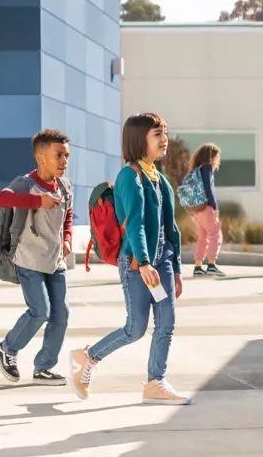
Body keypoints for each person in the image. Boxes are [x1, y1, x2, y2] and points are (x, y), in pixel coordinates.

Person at [68, 112, 189, 406]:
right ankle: (88, 357)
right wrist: (144, 262)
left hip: (162, 261)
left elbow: (170, 227)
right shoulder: (129, 176)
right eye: (157, 135)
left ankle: (155, 382)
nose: (164, 140)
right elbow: (134, 223)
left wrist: (176, 268)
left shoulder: (159, 179)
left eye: (165, 133)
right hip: (137, 262)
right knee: (135, 328)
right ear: (139, 140)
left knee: (167, 323)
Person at [0, 129, 75, 384]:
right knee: (40, 311)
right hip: (28, 259)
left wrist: (67, 239)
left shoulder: (65, 186)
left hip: (55, 260)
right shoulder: (25, 183)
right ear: (40, 157)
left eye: (67, 156)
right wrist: (38, 201)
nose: (64, 161)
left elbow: (68, 215)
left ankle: (44, 367)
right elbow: (1, 199)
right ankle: (8, 348)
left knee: (60, 314)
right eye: (58, 155)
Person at [187, 143, 225, 278]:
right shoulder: (207, 168)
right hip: (207, 206)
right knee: (215, 234)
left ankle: (198, 266)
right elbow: (209, 188)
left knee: (203, 237)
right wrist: (214, 206)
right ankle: (211, 265)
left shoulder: (196, 170)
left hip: (197, 208)